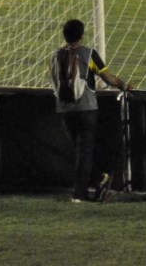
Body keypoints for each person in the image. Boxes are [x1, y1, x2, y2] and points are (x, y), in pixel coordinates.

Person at [49, 19, 133, 204]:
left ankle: (97, 178)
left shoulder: (56, 55)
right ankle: (79, 195)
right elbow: (108, 77)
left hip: (64, 109)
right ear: (81, 35)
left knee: (80, 151)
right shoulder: (88, 54)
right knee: (84, 151)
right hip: (86, 108)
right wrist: (123, 85)